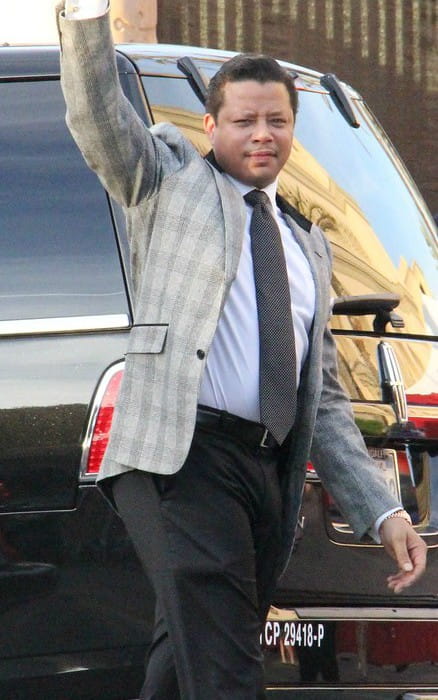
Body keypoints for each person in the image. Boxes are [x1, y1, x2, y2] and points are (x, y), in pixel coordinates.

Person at [57, 3, 427, 698]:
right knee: (227, 671)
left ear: (293, 129)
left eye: (276, 121)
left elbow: (325, 403)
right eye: (244, 120)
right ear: (212, 127)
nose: (262, 134)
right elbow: (99, 120)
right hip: (181, 460)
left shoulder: (307, 246)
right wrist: (85, 19)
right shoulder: (167, 182)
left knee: (185, 663)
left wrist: (384, 511)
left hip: (264, 475)